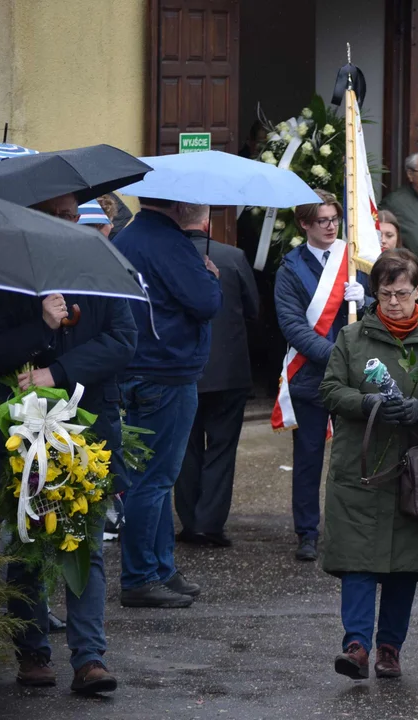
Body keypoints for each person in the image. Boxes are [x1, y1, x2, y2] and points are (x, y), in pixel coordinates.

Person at [0, 192, 135, 693]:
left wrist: (58, 369)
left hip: (88, 427)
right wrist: (42, 326)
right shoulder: (5, 280)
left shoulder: (100, 270)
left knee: (83, 540)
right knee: (28, 538)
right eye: (60, 217)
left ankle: (90, 659)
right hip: (21, 430)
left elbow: (122, 340)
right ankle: (32, 653)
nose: (71, 225)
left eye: (75, 217)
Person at [321, 249, 418, 680]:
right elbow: (329, 390)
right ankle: (356, 647)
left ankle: (389, 649)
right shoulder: (352, 338)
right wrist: (366, 401)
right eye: (385, 294)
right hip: (361, 469)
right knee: (358, 560)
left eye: (402, 293)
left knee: (406, 564)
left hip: (417, 472)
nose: (394, 302)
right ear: (375, 292)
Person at [114, 197, 221, 608]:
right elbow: (206, 303)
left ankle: (160, 568)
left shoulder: (128, 237)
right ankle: (141, 576)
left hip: (136, 368)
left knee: (150, 477)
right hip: (166, 370)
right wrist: (210, 277)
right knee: (154, 480)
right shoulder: (168, 243)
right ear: (176, 204)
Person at [274, 189, 368, 562]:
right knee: (309, 458)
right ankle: (307, 532)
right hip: (311, 377)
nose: (330, 227)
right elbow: (293, 326)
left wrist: (366, 300)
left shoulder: (353, 259)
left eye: (334, 219)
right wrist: (339, 356)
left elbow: (383, 307)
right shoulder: (290, 268)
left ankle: (351, 527)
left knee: (354, 457)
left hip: (352, 379)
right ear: (304, 224)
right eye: (322, 221)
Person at [175, 204, 259, 548]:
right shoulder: (235, 257)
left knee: (186, 449)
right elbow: (254, 310)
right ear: (207, 223)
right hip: (228, 372)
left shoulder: (168, 257)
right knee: (222, 450)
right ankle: (209, 524)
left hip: (184, 368)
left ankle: (190, 521)